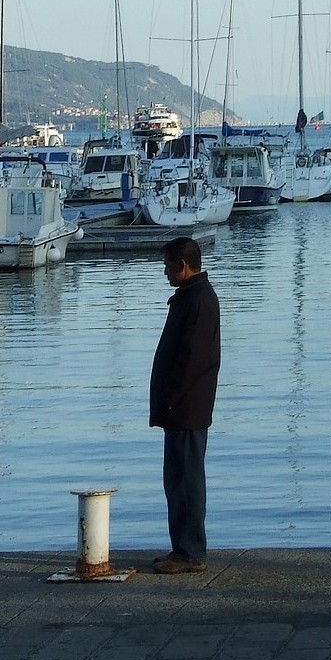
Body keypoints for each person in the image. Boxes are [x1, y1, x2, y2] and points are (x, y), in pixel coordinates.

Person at [148, 236, 221, 575]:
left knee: (186, 480)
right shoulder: (192, 297)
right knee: (177, 480)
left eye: (167, 266)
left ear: (183, 265)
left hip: (186, 408)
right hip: (182, 406)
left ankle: (191, 552)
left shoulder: (198, 301)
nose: (164, 273)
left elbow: (193, 361)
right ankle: (183, 547)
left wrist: (173, 399)